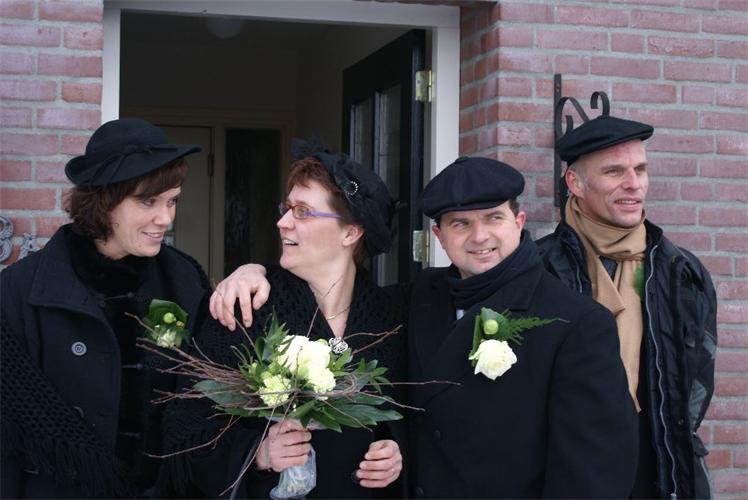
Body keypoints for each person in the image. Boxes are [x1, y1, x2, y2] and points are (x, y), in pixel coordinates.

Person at [162, 149, 408, 498]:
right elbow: (185, 429)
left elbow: (413, 416)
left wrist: (394, 452)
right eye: (287, 208)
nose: (283, 222)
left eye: (303, 212)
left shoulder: (390, 318)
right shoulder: (248, 309)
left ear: (351, 232)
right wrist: (258, 454)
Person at [0, 118, 209, 497]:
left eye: (172, 200)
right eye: (148, 201)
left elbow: (202, 405)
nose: (166, 218)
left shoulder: (183, 279)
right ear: (104, 199)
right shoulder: (20, 291)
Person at [407, 157, 637, 498]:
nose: (479, 236)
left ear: (518, 222)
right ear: (439, 235)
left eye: (493, 218)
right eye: (460, 223)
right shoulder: (419, 297)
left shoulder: (578, 323)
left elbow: (593, 473)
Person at [537, 112, 717, 499]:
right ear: (575, 183)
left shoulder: (682, 271)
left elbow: (701, 376)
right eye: (614, 171)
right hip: (568, 471)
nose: (633, 183)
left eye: (640, 169)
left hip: (661, 471)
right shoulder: (539, 270)